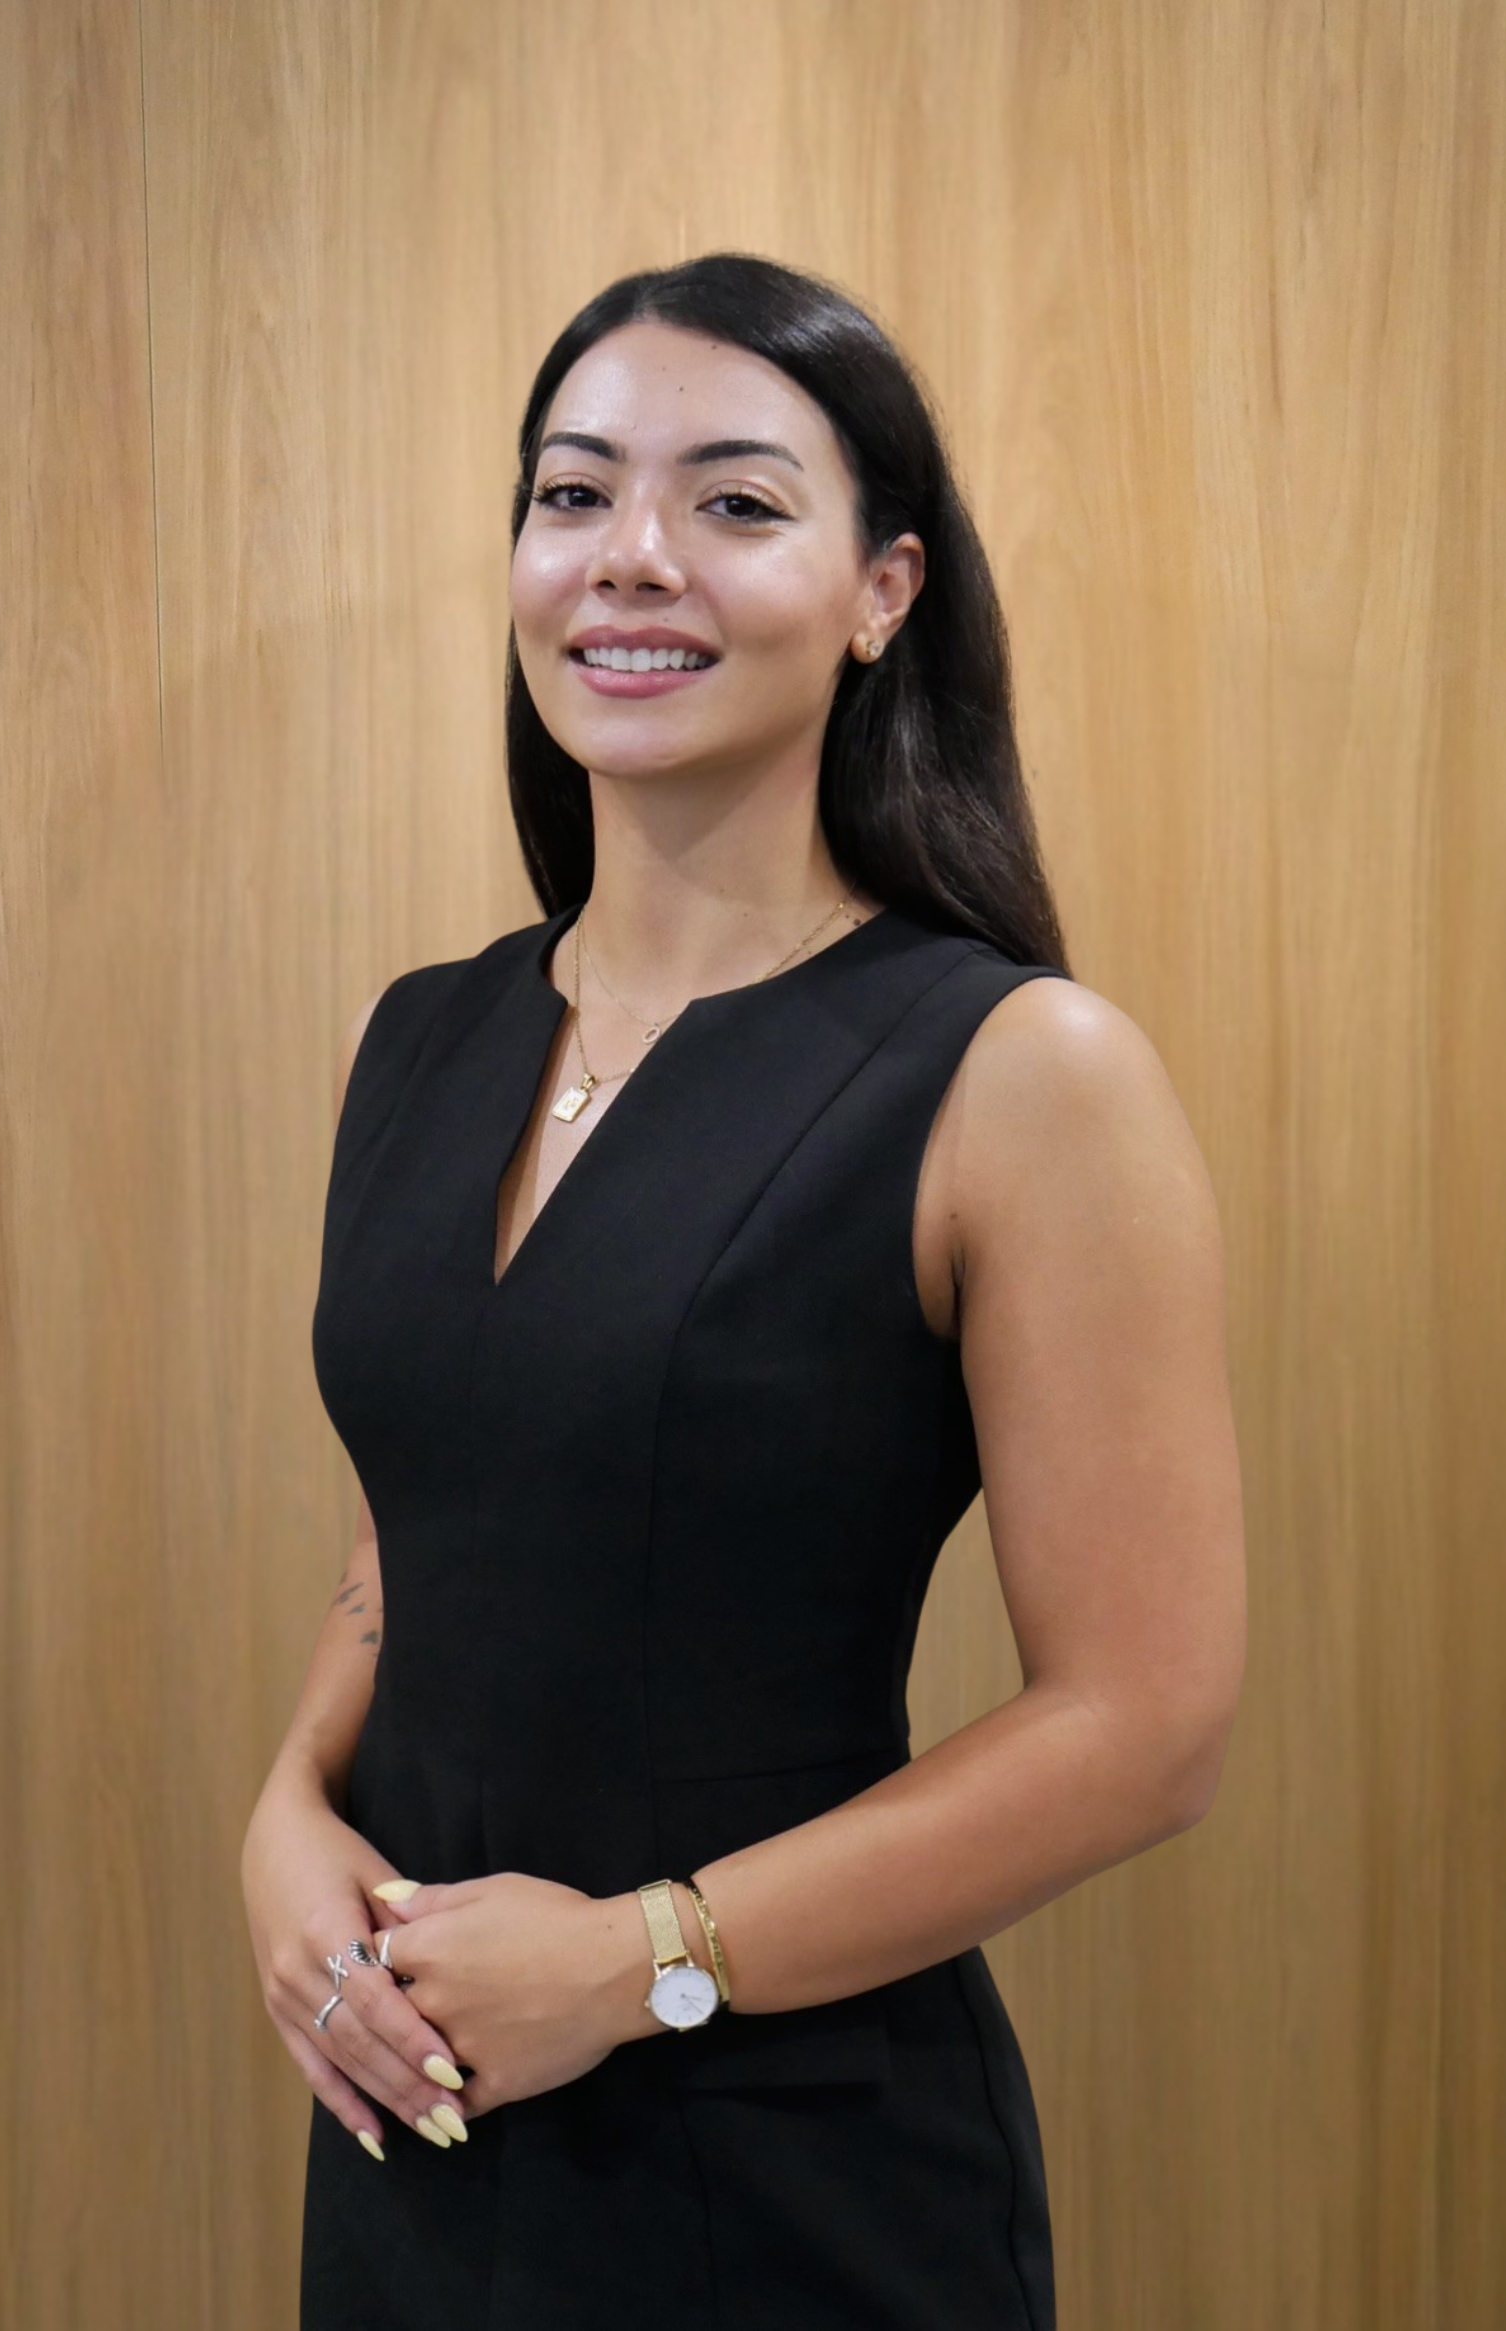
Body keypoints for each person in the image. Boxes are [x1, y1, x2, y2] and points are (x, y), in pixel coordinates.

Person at [242, 251, 1247, 2330]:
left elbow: (1144, 1723)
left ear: (885, 589)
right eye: (574, 493)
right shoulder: (416, 1039)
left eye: (735, 503)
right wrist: (284, 1808)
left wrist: (636, 1959)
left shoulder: (1014, 1071)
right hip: (424, 2134)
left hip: (792, 2170)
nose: (631, 561)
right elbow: (439, 1507)